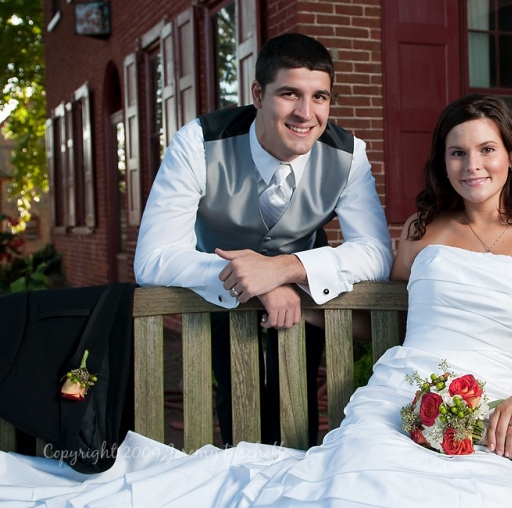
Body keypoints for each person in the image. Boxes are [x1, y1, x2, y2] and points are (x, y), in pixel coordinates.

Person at [0, 94, 512, 506]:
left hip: (496, 414)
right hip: (400, 399)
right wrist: (285, 282)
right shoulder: (421, 233)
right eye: (457, 152)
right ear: (445, 162)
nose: (471, 164)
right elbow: (365, 281)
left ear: (511, 156)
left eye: (486, 149)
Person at [133, 32, 393, 447]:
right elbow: (153, 258)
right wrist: (248, 279)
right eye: (290, 94)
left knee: (299, 406)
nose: (306, 113)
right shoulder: (198, 143)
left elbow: (377, 252)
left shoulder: (348, 154)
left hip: (301, 295)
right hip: (219, 290)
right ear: (257, 93)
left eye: (320, 97)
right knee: (236, 401)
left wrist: (283, 271)